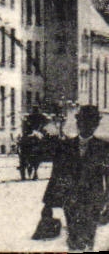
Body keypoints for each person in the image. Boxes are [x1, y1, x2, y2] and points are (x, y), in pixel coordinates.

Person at [41, 104, 109, 253]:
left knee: (88, 238)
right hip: (71, 201)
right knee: (73, 237)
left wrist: (108, 204)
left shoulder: (104, 148)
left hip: (93, 202)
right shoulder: (65, 147)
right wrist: (48, 203)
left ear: (96, 125)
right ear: (78, 123)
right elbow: (56, 175)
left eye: (91, 123)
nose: (86, 126)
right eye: (83, 122)